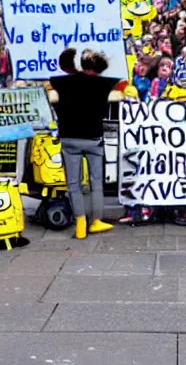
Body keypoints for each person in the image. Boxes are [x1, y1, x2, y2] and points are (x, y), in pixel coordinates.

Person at [50, 49, 119, 239]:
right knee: (96, 182)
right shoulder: (104, 83)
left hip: (69, 137)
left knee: (73, 184)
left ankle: (80, 223)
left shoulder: (63, 82)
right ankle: (96, 221)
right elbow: (120, 85)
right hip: (93, 138)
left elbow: (52, 81)